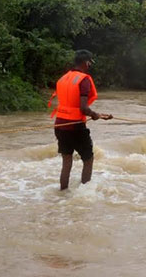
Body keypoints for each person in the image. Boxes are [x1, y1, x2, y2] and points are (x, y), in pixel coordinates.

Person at [50, 50, 112, 190]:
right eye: (90, 63)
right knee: (88, 159)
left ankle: (63, 192)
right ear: (86, 62)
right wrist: (95, 115)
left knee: (66, 161)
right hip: (75, 126)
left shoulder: (63, 78)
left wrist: (98, 114)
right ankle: (85, 193)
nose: (90, 66)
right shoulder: (84, 79)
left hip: (60, 124)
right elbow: (83, 108)